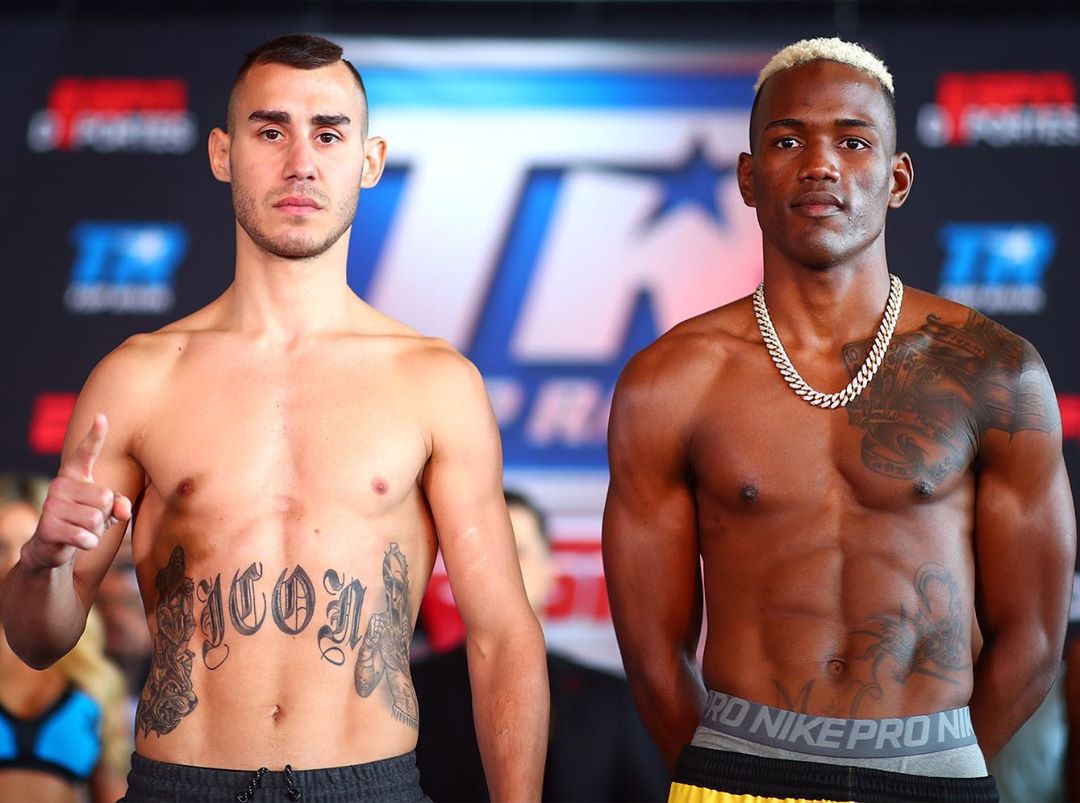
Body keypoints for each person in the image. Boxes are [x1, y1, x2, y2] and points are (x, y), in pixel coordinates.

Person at [0, 33, 548, 803]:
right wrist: (43, 563)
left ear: (370, 160)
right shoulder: (138, 377)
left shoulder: (435, 382)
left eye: (328, 134)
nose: (300, 162)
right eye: (270, 131)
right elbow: (39, 639)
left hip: (369, 788)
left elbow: (501, 636)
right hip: (180, 787)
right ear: (222, 153)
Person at [602, 37, 1075, 803]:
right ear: (749, 178)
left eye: (852, 141)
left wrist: (938, 774)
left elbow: (1037, 639)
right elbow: (653, 654)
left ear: (897, 178)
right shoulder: (672, 381)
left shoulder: (992, 369)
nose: (820, 164)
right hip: (737, 776)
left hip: (933, 779)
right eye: (788, 141)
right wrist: (726, 774)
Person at [412, 490, 670, 802]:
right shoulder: (413, 694)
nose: (500, 570)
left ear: (551, 569)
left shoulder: (614, 699)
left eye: (517, 551)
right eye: (484, 555)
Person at [0, 473, 131, 803]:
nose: (16, 563)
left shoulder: (93, 677)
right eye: (0, 548)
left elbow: (112, 792)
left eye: (30, 546)